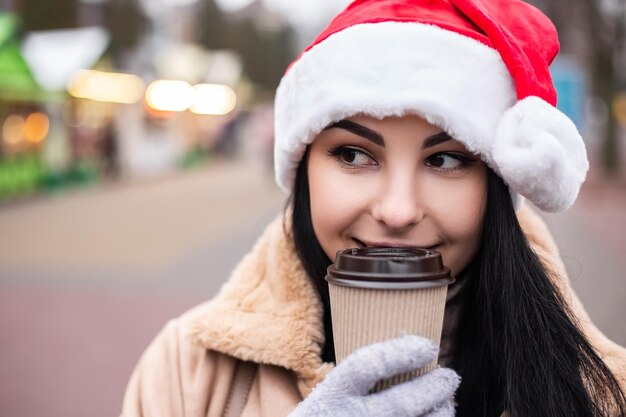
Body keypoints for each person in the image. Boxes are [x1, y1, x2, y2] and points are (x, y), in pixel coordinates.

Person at [120, 0, 626, 416]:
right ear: (304, 172)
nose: (398, 210)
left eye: (446, 159)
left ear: (494, 184)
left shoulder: (603, 393)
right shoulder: (186, 368)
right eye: (354, 154)